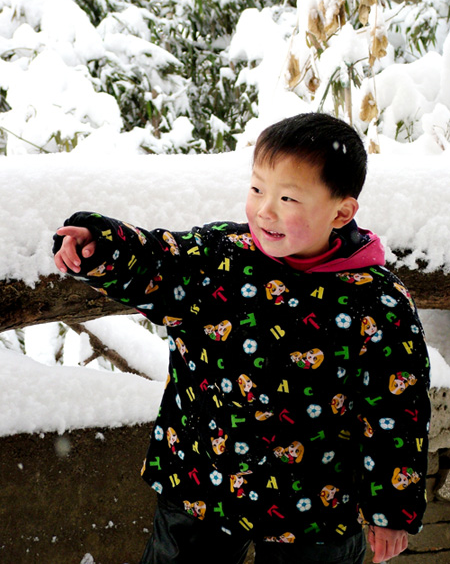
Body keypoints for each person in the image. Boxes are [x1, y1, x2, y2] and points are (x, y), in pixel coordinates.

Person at [53, 113, 430, 564]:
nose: (265, 210)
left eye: (288, 197)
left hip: (313, 502)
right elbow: (159, 260)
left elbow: (395, 410)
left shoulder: (376, 303)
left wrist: (390, 509)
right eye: (257, 189)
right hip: (202, 478)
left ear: (342, 211)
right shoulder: (220, 259)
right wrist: (104, 247)